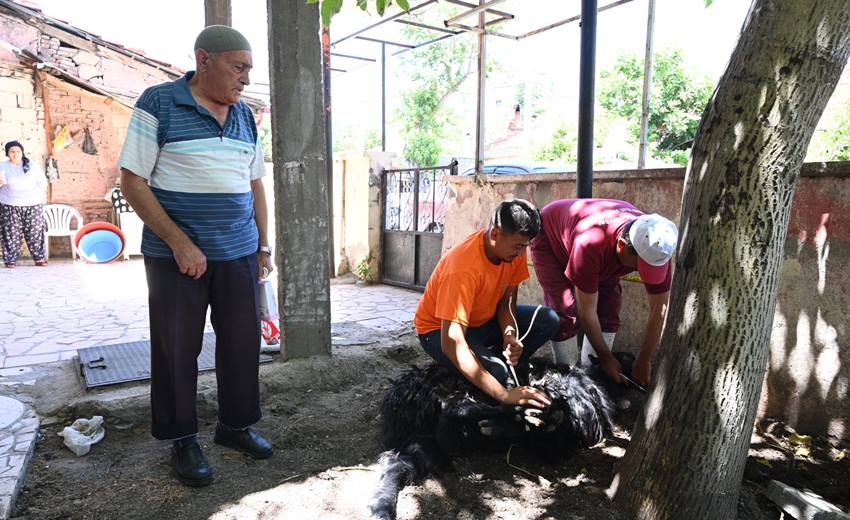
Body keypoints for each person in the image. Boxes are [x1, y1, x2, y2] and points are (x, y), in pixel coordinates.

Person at [118, 25, 273, 488]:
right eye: (238, 67)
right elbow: (133, 180)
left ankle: (235, 426)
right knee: (176, 348)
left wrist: (263, 245)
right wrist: (179, 242)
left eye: (249, 70)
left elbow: (255, 185)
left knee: (244, 344)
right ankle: (182, 438)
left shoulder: (245, 116)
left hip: (239, 252)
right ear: (204, 60)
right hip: (174, 257)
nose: (246, 78)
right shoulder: (159, 103)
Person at [414, 199, 560, 409]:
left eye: (524, 247)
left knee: (549, 320)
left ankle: (501, 363)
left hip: (480, 322)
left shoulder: (512, 249)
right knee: (497, 373)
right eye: (518, 246)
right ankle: (492, 372)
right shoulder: (462, 268)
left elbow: (507, 302)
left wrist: (510, 335)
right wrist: (504, 395)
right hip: (438, 331)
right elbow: (451, 342)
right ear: (495, 234)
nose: (521, 254)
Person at [530, 198, 678, 387]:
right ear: (622, 245)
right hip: (551, 238)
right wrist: (606, 358)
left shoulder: (658, 247)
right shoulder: (590, 245)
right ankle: (568, 382)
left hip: (603, 247)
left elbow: (659, 309)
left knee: (609, 305)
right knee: (565, 309)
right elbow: (587, 312)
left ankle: (593, 379)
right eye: (639, 266)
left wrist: (644, 359)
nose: (642, 272)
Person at [0, 140, 48, 268]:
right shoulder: (2, 166)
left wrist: (35, 194)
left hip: (32, 204)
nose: (15, 154)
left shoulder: (32, 165)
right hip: (9, 204)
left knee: (35, 232)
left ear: (22, 152)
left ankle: (39, 258)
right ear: (7, 153)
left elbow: (42, 182)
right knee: (10, 233)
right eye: (12, 152)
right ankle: (10, 260)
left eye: (18, 151)